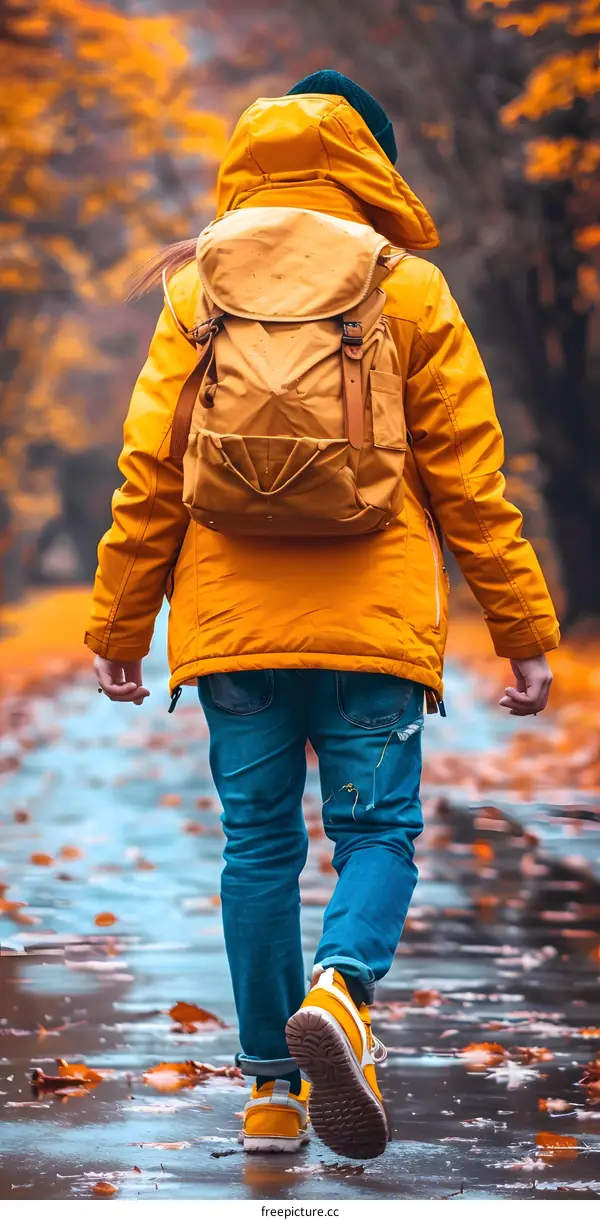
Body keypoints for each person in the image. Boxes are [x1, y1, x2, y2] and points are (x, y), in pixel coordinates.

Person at [87, 71, 559, 1161]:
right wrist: (522, 632)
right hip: (372, 622)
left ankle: (266, 1090)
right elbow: (469, 483)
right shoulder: (410, 289)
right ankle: (342, 990)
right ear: (372, 167)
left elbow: (149, 475)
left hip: (235, 628)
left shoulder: (194, 286)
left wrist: (120, 628)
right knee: (376, 833)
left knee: (256, 846)